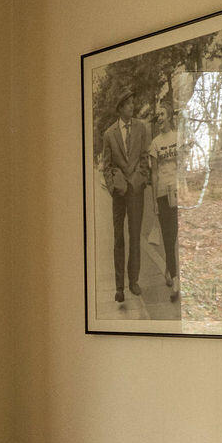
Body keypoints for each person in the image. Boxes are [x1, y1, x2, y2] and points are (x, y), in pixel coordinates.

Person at [99, 98, 152, 305]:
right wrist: (113, 187)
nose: (132, 106)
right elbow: (107, 165)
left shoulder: (141, 127)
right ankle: (119, 287)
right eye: (128, 104)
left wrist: (140, 178)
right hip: (120, 194)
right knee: (119, 238)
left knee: (135, 236)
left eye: (132, 103)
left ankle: (134, 281)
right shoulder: (109, 133)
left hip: (136, 190)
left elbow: (144, 156)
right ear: (120, 108)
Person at [148, 84, 183, 303]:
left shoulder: (178, 138)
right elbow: (153, 175)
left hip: (177, 193)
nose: (159, 118)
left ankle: (170, 270)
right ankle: (176, 279)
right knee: (169, 239)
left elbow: (184, 166)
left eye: (162, 114)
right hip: (162, 195)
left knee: (175, 236)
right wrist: (153, 203)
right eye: (158, 115)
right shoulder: (155, 143)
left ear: (169, 117)